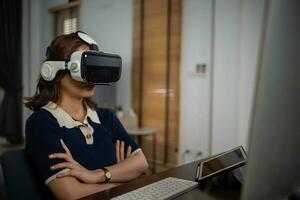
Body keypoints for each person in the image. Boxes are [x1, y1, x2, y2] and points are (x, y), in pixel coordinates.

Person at [24, 32, 149, 200]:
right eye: (84, 67)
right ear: (53, 70)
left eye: (94, 68)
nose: (91, 77)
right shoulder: (41, 123)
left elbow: (141, 163)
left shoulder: (106, 117)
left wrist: (97, 175)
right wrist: (122, 177)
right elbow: (71, 194)